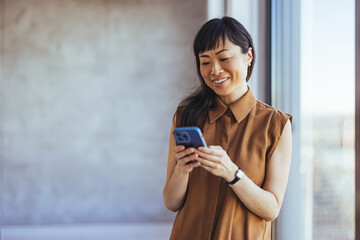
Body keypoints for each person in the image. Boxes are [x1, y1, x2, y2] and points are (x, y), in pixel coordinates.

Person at [163, 16, 292, 240]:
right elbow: (171, 202)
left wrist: (232, 173)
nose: (214, 70)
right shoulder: (186, 117)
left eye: (224, 58)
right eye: (205, 62)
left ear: (248, 56)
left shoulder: (276, 124)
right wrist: (182, 170)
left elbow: (271, 209)